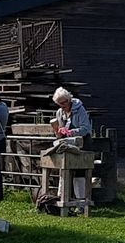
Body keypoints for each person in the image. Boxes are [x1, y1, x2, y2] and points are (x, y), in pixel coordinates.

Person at [35, 85, 90, 214]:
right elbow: (60, 132)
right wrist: (58, 132)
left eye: (64, 102)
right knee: (63, 170)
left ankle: (81, 203)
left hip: (81, 143)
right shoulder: (59, 112)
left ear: (69, 99)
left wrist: (70, 132)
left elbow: (85, 128)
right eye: (60, 104)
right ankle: (61, 199)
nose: (63, 105)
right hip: (66, 144)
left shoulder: (80, 109)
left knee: (79, 172)